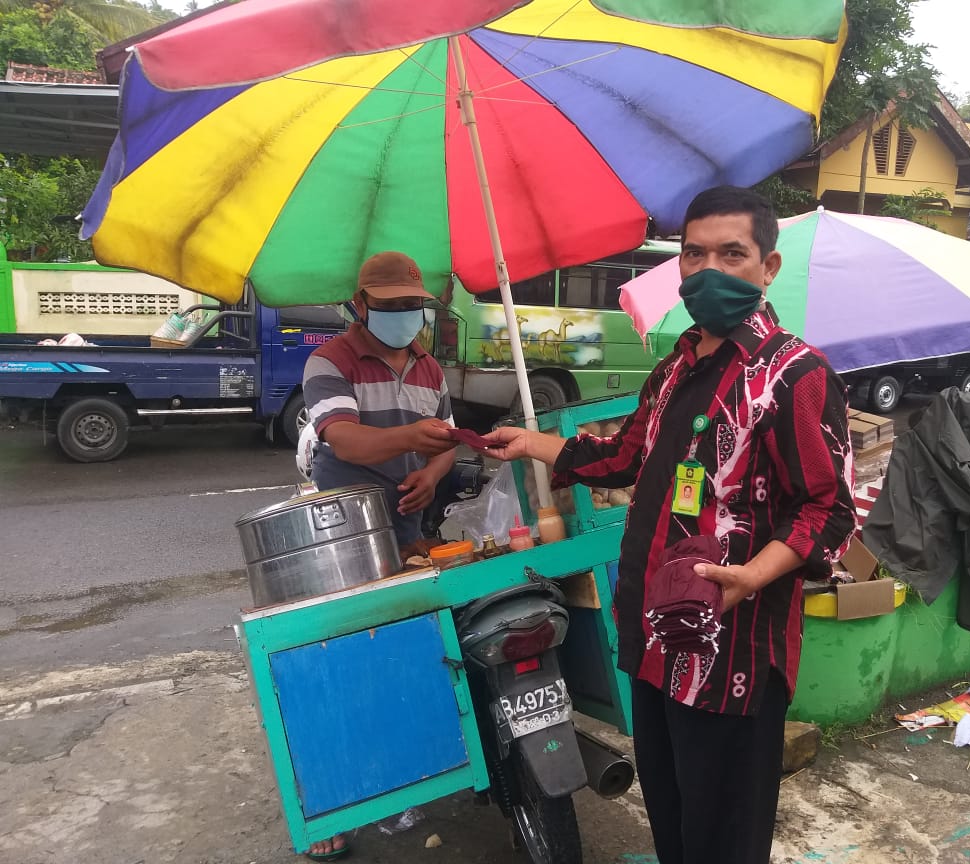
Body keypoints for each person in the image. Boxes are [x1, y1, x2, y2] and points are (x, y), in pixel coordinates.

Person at [483, 186, 856, 864]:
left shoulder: (793, 376)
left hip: (731, 651)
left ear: (768, 268)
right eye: (695, 254)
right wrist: (530, 442)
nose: (709, 270)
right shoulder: (676, 366)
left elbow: (829, 509)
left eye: (731, 254)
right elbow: (625, 455)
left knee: (724, 841)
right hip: (658, 640)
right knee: (676, 827)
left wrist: (754, 575)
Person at [299, 251, 457, 860]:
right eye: (387, 307)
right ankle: (340, 796)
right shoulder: (329, 361)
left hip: (409, 524)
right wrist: (407, 441)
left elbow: (443, 440)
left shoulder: (430, 368)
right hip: (344, 532)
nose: (401, 316)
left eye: (410, 307)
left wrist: (433, 471)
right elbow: (345, 437)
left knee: (409, 646)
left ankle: (401, 778)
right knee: (344, 651)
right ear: (359, 306)